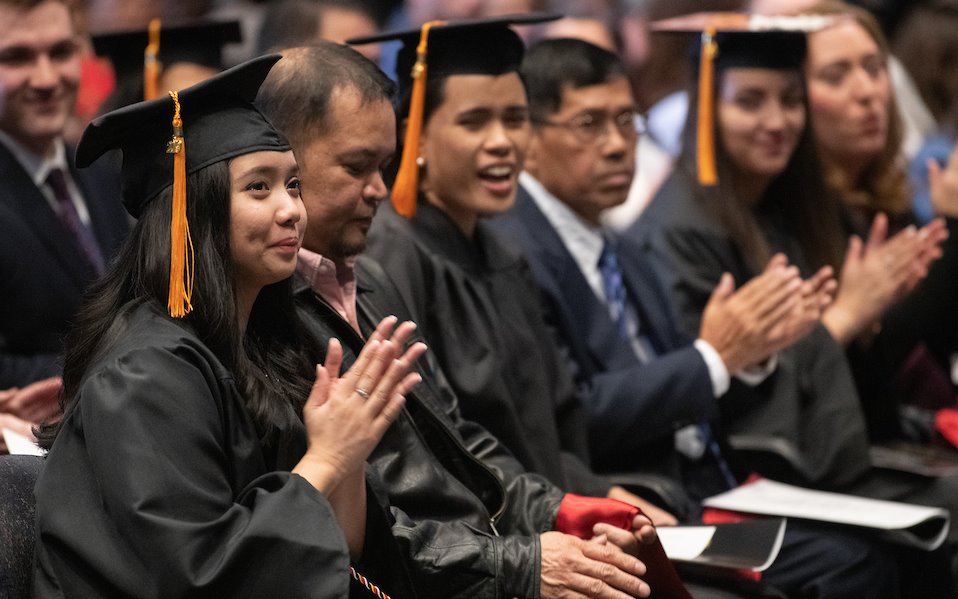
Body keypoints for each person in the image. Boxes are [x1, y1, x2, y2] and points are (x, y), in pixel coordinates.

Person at [492, 36, 925, 599]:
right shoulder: (514, 252)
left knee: (902, 548)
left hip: (709, 483)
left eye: (626, 121)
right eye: (590, 124)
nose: (619, 145)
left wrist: (748, 356)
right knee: (851, 565)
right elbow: (572, 413)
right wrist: (717, 358)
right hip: (629, 499)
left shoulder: (614, 242)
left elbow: (700, 384)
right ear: (530, 136)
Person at [257, 38, 681, 599]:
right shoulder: (276, 306)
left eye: (515, 118)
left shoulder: (373, 279)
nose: (379, 189)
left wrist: (567, 508)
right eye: (358, 167)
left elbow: (456, 442)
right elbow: (373, 525)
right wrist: (521, 564)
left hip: (484, 551)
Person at [33, 55, 424, 598]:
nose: (291, 210)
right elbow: (198, 575)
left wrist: (349, 451)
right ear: (192, 213)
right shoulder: (144, 373)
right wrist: (326, 458)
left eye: (292, 184)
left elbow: (338, 552)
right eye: (259, 188)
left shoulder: (256, 346)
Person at [354, 13, 687, 524]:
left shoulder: (503, 252)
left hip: (546, 512)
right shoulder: (393, 257)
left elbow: (555, 430)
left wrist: (605, 494)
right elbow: (439, 448)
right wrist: (570, 510)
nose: (502, 141)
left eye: (515, 118)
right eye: (474, 122)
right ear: (413, 135)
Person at [800, 1, 958, 424]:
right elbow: (871, 370)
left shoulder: (888, 199)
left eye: (874, 67)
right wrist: (951, 226)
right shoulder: (795, 218)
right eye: (836, 76)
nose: (867, 91)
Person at [0, 0, 129, 445]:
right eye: (16, 57)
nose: (46, 78)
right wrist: (126, 365)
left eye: (61, 51)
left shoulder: (102, 171)